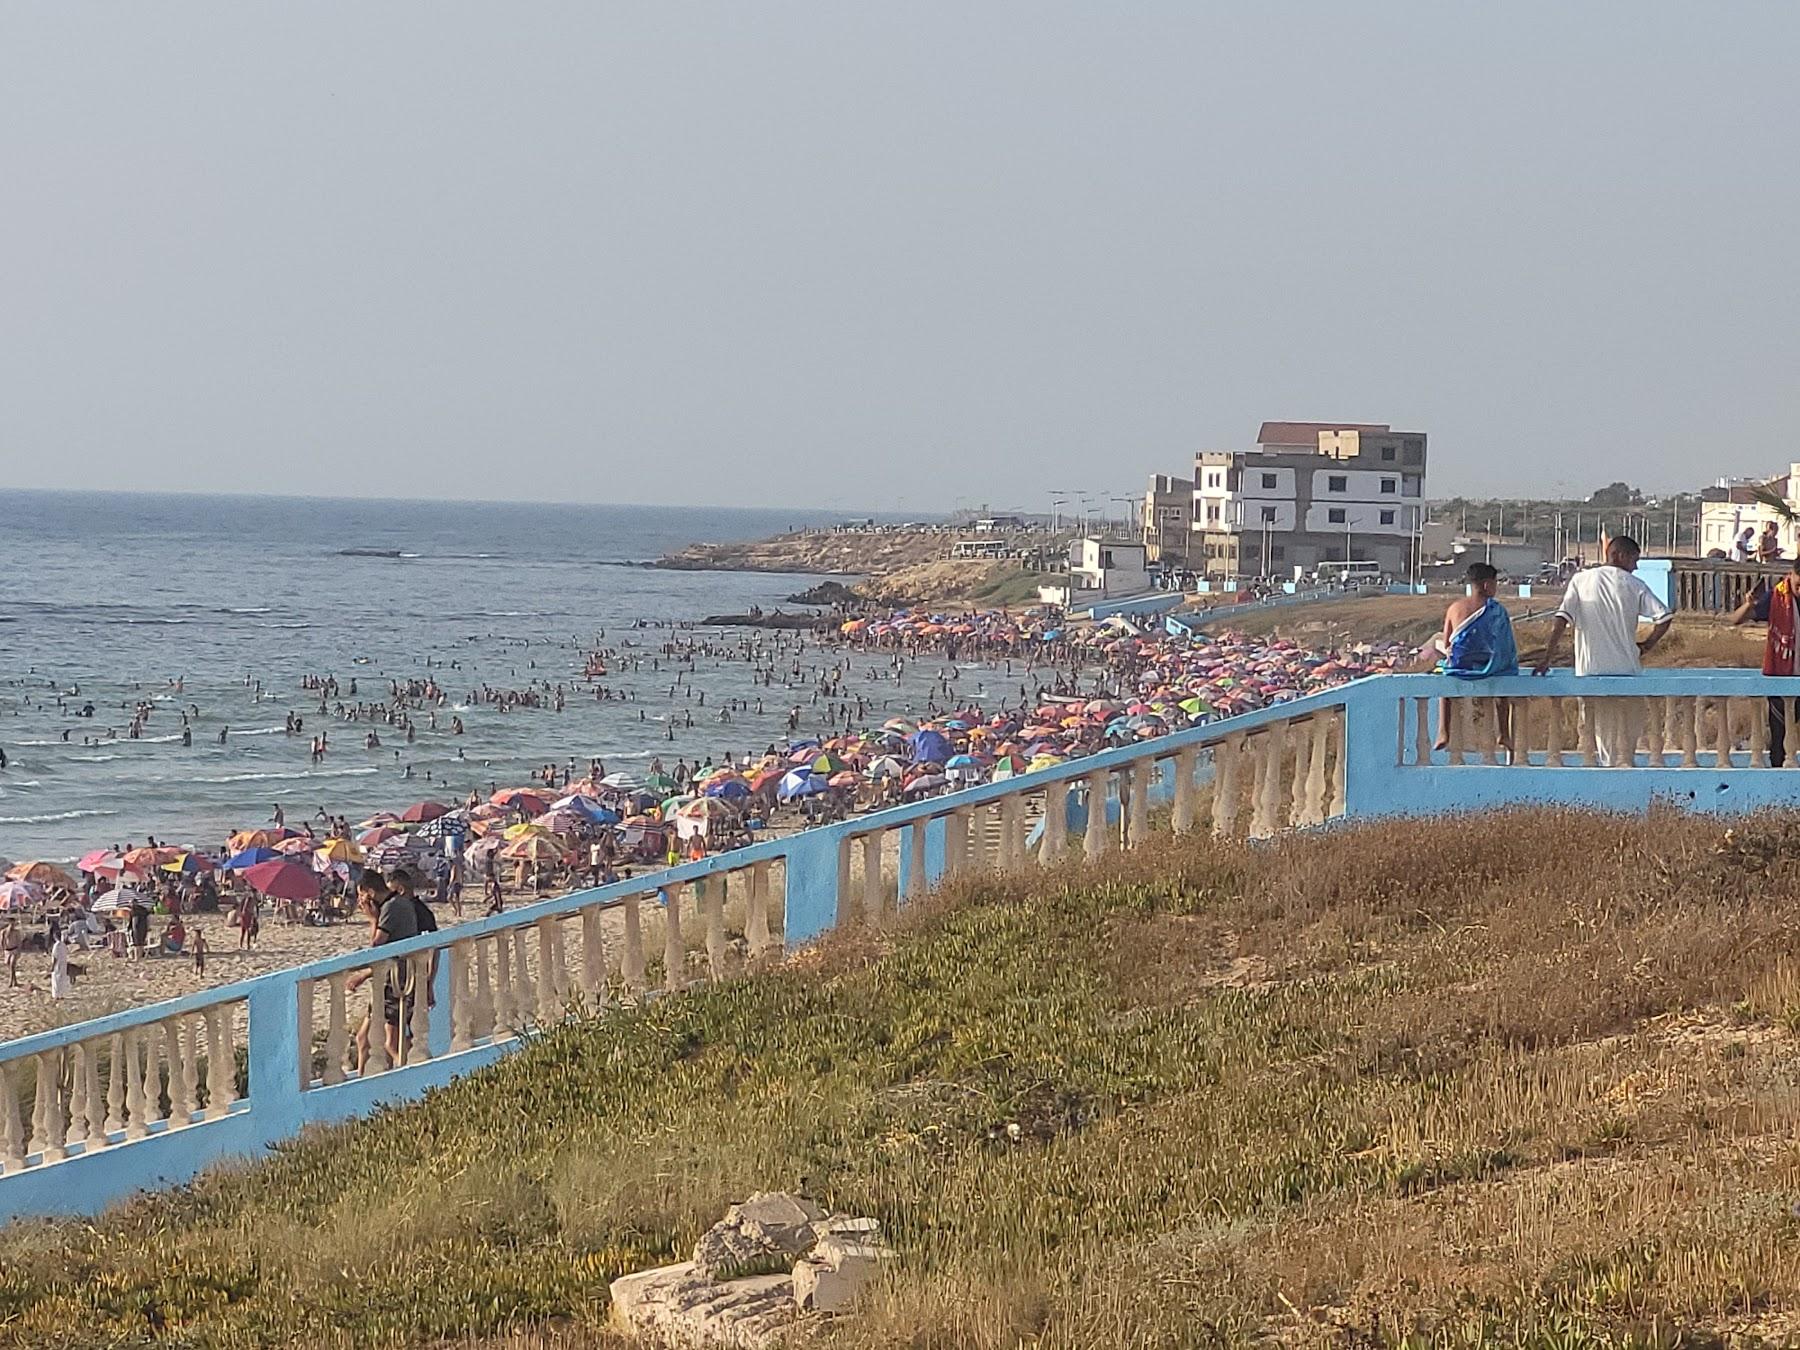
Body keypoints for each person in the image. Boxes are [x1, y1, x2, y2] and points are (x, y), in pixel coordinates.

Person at [1533, 535, 1673, 765]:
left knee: (1596, 730)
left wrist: (1547, 657)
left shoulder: (1581, 580)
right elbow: (1664, 617)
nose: (1636, 566)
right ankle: (1621, 770)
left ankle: (1607, 770)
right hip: (1627, 670)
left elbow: (1561, 619)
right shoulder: (1634, 584)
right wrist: (1647, 645)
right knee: (1627, 734)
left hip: (1591, 671)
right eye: (1634, 559)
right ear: (1619, 555)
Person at [1423, 562, 1519, 751]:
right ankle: (1503, 733)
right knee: (1505, 679)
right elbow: (1504, 644)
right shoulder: (1497, 610)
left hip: (1460, 667)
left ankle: (1443, 731)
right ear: (1486, 585)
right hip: (1489, 665)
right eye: (1495, 583)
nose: (1496, 587)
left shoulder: (1455, 608)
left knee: (1445, 684)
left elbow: (1448, 642)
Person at [1730, 551, 1800, 765]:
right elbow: (1735, 619)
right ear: (1791, 575)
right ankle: (1778, 775)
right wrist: (1750, 604)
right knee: (1779, 733)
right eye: (1799, 585)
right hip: (1782, 675)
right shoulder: (1776, 597)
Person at [346, 873, 419, 1071]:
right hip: (393, 977)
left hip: (394, 981)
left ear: (371, 892)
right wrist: (363, 975)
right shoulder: (400, 904)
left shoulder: (391, 907)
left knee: (390, 1043)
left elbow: (377, 946)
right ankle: (362, 1082)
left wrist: (372, 920)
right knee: (364, 1038)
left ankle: (413, 1072)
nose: (360, 900)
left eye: (361, 895)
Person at [48, 931, 72, 999]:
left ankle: (56, 995)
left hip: (58, 965)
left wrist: (52, 966)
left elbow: (55, 957)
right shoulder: (63, 945)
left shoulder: (56, 945)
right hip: (63, 964)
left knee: (56, 980)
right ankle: (62, 994)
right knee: (62, 979)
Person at [2, 918, 20, 988]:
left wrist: (19, 950)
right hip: (7, 950)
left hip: (14, 950)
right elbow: (2, 941)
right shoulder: (4, 932)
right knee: (10, 966)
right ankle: (15, 981)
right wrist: (2, 950)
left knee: (12, 965)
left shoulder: (16, 932)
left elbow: (19, 942)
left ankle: (10, 981)